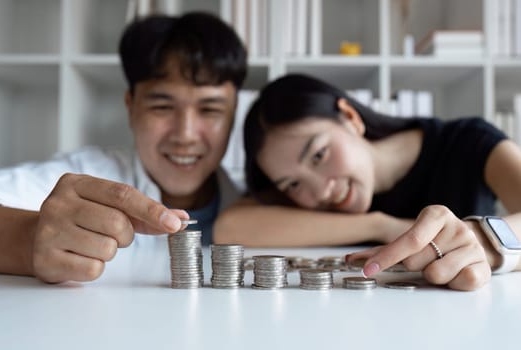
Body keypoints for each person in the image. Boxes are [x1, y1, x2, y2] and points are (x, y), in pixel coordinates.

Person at [0, 12, 247, 283]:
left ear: (233, 115)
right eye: (162, 106)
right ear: (131, 107)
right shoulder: (83, 175)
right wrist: (26, 240)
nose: (185, 135)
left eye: (210, 109)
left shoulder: (256, 202)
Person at [214, 73, 521, 291]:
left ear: (350, 117)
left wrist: (485, 241)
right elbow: (231, 227)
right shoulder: (310, 198)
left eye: (319, 154)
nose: (321, 191)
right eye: (292, 184)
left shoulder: (470, 141)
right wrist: (381, 225)